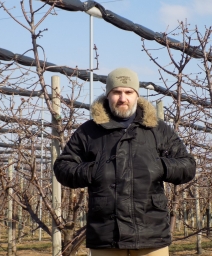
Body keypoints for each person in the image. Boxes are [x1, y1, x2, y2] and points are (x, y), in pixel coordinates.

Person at [53, 67, 196, 256]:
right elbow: (63, 167)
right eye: (117, 92)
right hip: (106, 234)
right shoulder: (89, 131)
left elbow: (187, 165)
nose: (122, 98)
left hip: (151, 234)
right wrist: (94, 171)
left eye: (128, 92)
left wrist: (159, 166)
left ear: (136, 95)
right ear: (108, 95)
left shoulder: (158, 130)